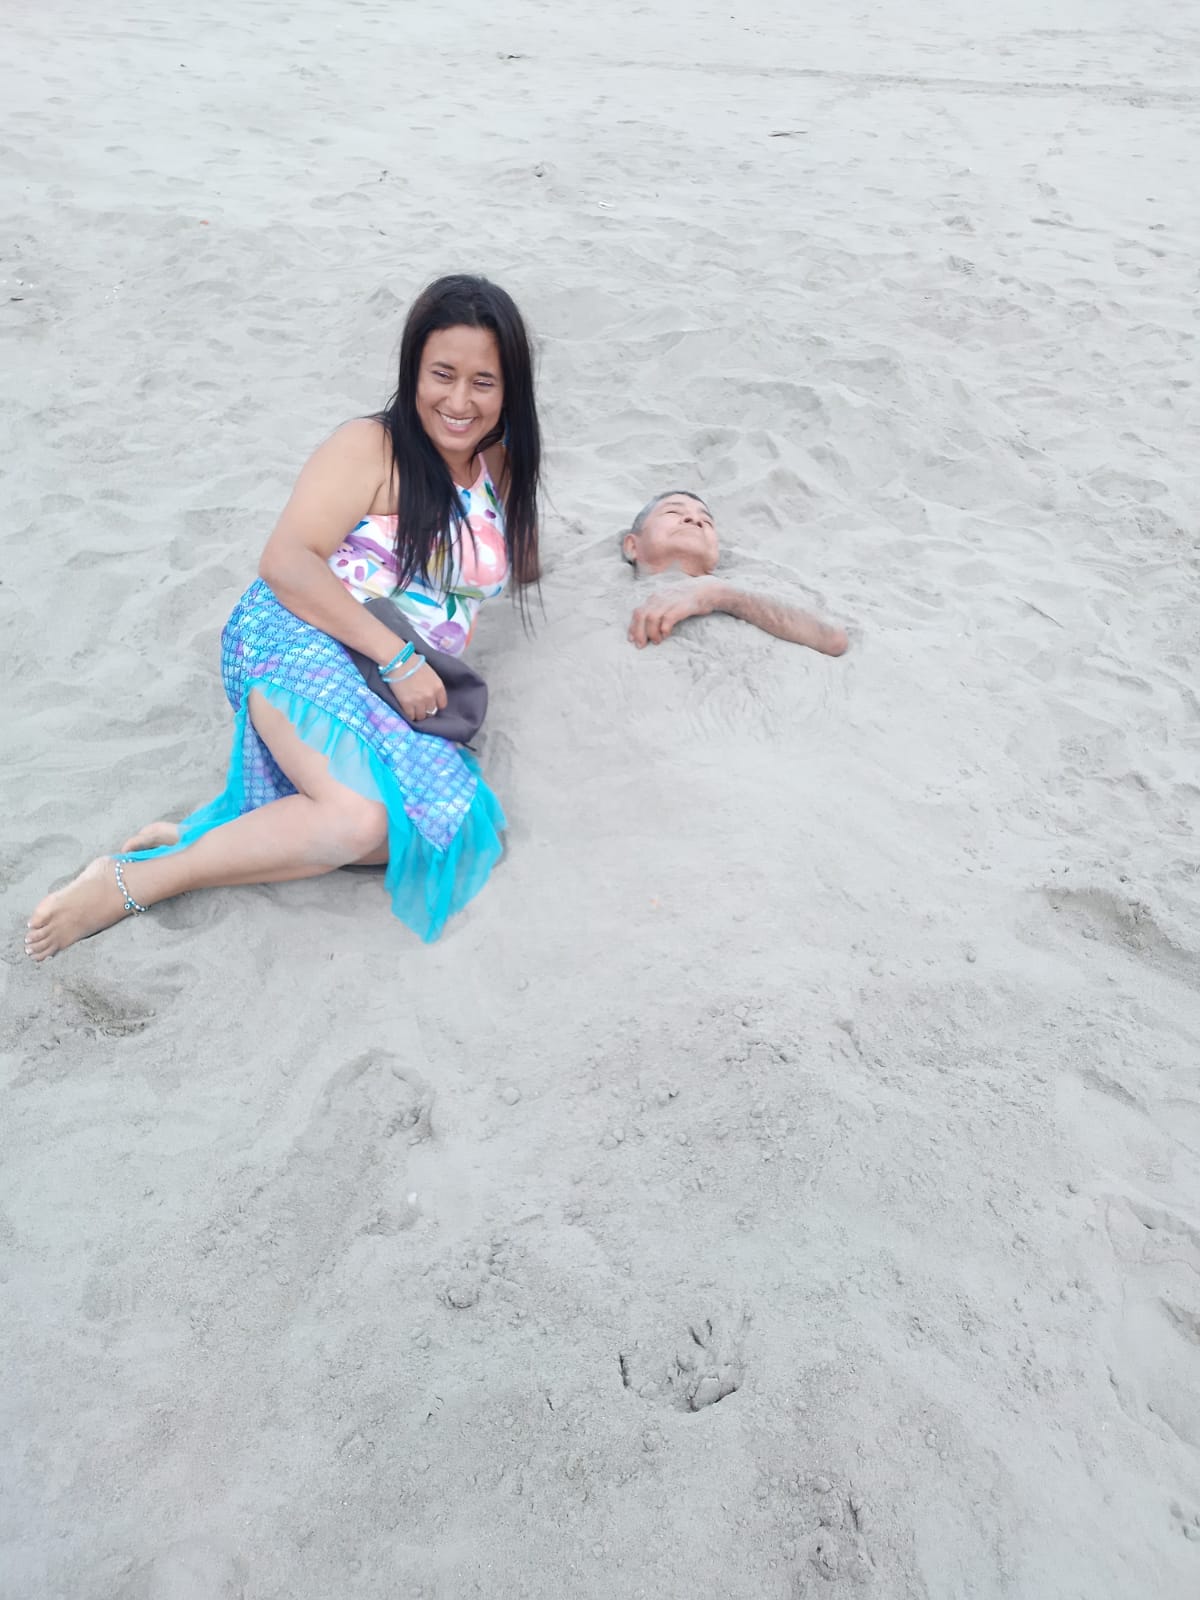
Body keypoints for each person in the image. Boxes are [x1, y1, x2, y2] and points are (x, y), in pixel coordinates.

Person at [25, 274, 540, 960]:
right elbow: (286, 561)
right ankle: (133, 882)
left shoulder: (499, 464)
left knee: (439, 825)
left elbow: (503, 555)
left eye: (483, 382)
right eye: (442, 375)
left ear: (510, 390)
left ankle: (209, 838)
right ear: (413, 370)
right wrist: (399, 658)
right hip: (305, 632)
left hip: (395, 678)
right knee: (360, 822)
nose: (459, 401)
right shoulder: (372, 447)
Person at [621, 491, 849, 655]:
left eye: (707, 521)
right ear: (632, 546)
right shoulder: (602, 592)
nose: (695, 520)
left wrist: (716, 594)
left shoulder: (754, 587)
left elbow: (832, 637)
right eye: (673, 511)